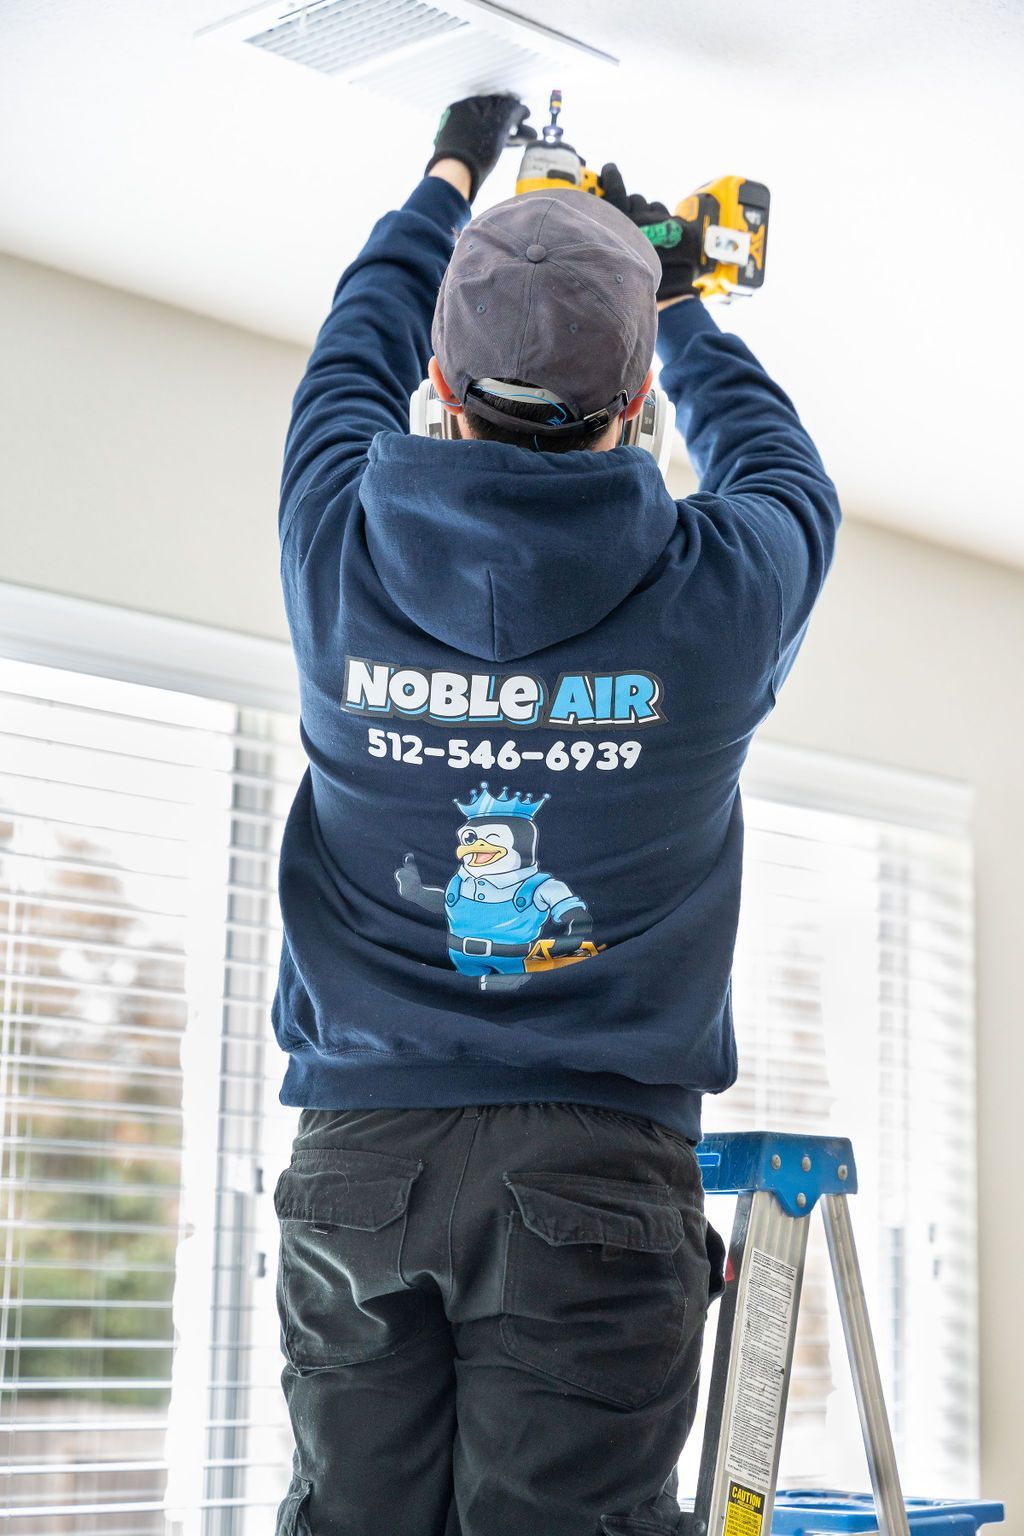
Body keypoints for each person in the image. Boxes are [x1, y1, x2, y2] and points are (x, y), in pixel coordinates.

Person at [271, 93, 841, 1536]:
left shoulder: (332, 540)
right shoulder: (716, 598)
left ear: (439, 395)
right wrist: (683, 299)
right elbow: (782, 469)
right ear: (638, 406)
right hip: (593, 1168)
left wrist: (448, 167)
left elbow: (357, 337)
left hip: (362, 1164)